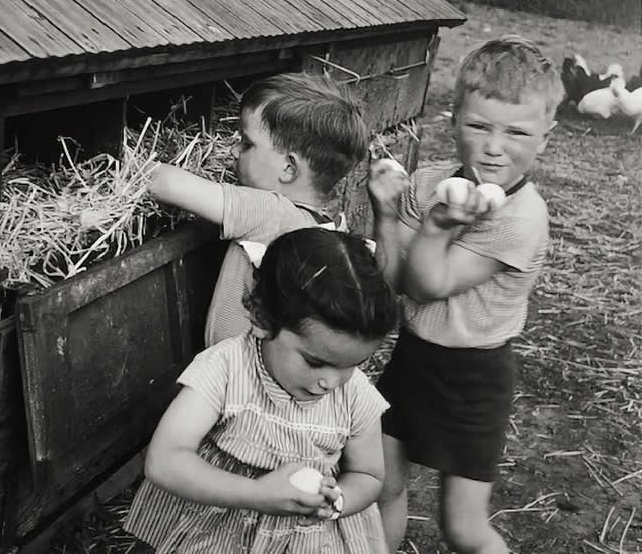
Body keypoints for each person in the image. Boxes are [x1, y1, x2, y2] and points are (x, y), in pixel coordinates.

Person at [367, 35, 563, 554]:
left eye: (516, 132)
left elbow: (428, 285)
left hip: (475, 378)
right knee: (380, 486)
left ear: (546, 136)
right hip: (414, 358)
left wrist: (434, 226)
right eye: (479, 125)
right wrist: (387, 214)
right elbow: (394, 282)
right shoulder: (431, 180)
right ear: (453, 119)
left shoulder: (522, 218)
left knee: (463, 528)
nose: (494, 146)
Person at [123, 227, 398, 554]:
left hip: (306, 540)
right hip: (217, 531)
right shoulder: (226, 368)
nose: (332, 382)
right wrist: (256, 494)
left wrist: (337, 501)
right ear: (262, 319)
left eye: (353, 364)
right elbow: (165, 459)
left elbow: (368, 474)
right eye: (314, 362)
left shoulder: (355, 395)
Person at [148, 71, 369, 346]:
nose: (233, 151)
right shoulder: (327, 222)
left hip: (232, 374)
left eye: (247, 143)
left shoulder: (271, 213)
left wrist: (132, 168)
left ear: (288, 168)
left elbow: (162, 182)